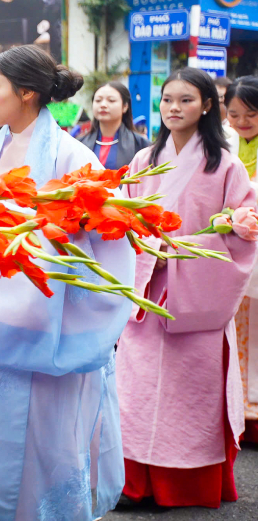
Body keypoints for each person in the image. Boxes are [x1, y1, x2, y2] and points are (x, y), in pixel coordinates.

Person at [0, 45, 132, 521]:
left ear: (28, 92)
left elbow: (106, 245)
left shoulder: (74, 158)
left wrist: (31, 247)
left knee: (43, 432)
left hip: (44, 321)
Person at [118, 68, 257, 510]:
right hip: (146, 291)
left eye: (186, 100)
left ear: (207, 106)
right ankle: (133, 484)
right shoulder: (143, 160)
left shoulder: (226, 165)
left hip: (195, 296)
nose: (174, 108)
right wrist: (145, 247)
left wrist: (175, 250)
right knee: (134, 390)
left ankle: (184, 486)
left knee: (189, 394)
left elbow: (243, 232)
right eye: (167, 100)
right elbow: (124, 223)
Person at [225, 76, 258, 444]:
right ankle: (241, 408)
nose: (242, 122)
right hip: (233, 250)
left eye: (251, 114)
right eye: (235, 113)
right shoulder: (223, 141)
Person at [78, 81, 151, 170]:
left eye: (111, 100)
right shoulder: (80, 144)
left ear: (125, 106)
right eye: (98, 100)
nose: (103, 105)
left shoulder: (141, 145)